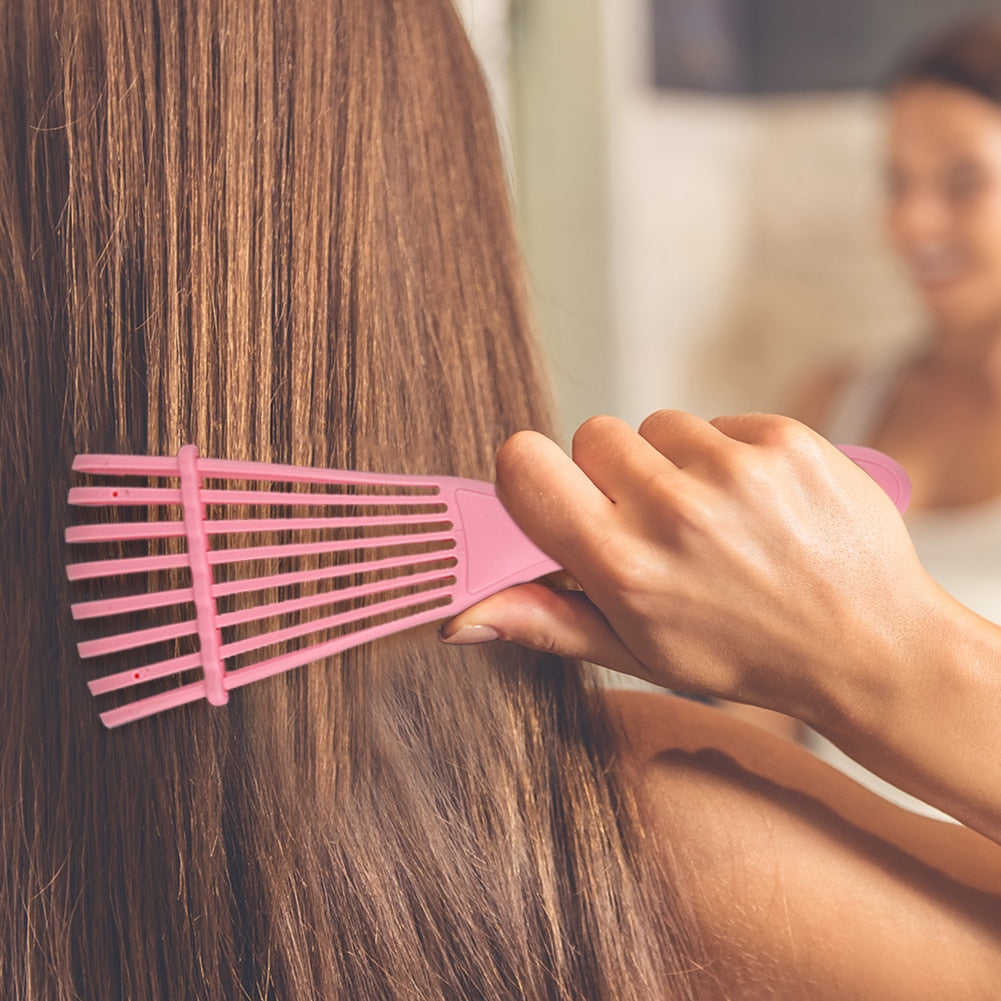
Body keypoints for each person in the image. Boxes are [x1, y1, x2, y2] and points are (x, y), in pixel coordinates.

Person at [3, 3, 1000, 999]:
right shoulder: (645, 842)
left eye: (961, 181)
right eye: (897, 182)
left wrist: (870, 658)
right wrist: (885, 662)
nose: (913, 223)